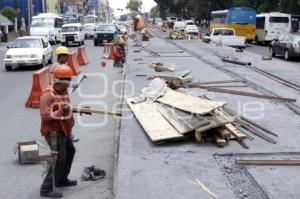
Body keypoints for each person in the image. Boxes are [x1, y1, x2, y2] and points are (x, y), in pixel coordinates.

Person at [39, 65, 77, 198]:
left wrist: (79, 110)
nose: (69, 85)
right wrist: (62, 110)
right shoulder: (47, 95)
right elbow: (45, 116)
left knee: (70, 152)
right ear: (59, 81)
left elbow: (67, 107)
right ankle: (46, 188)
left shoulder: (64, 92)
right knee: (58, 159)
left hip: (64, 130)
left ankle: (61, 179)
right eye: (67, 82)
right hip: (54, 132)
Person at [50, 46, 79, 142]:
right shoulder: (57, 67)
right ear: (61, 56)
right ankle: (67, 135)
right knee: (65, 113)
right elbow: (57, 81)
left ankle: (65, 134)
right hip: (59, 94)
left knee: (63, 113)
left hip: (61, 93)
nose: (67, 59)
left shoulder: (57, 66)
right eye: (66, 56)